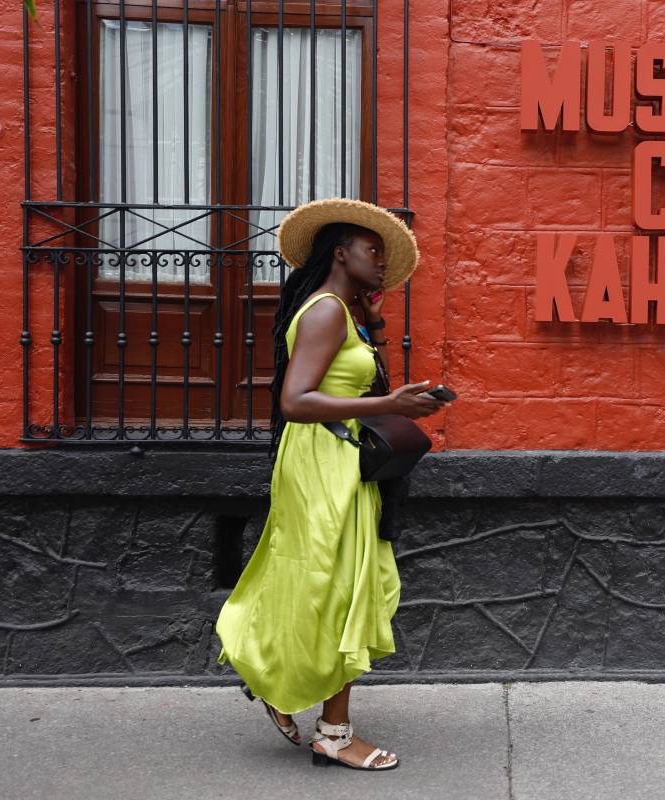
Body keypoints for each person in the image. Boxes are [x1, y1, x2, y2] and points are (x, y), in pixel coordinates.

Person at [215, 198, 446, 771]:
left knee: (343, 584)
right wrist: (389, 405)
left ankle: (279, 682)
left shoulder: (346, 312)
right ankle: (333, 733)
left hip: (340, 460)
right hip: (321, 460)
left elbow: (364, 382)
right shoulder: (324, 312)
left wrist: (377, 327)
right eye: (373, 250)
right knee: (339, 588)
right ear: (341, 253)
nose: (382, 262)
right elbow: (295, 401)